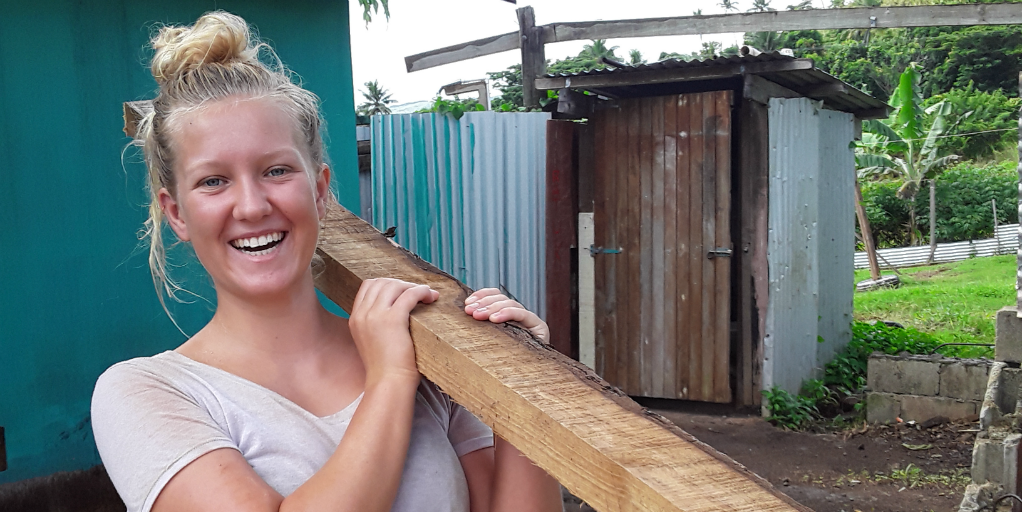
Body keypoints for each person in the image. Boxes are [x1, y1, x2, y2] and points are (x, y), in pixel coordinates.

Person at [90, 11, 563, 512]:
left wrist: (525, 387)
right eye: (213, 181)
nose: (251, 206)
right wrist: (387, 379)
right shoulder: (148, 392)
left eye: (275, 170)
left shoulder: (428, 353)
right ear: (176, 213)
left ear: (319, 192)